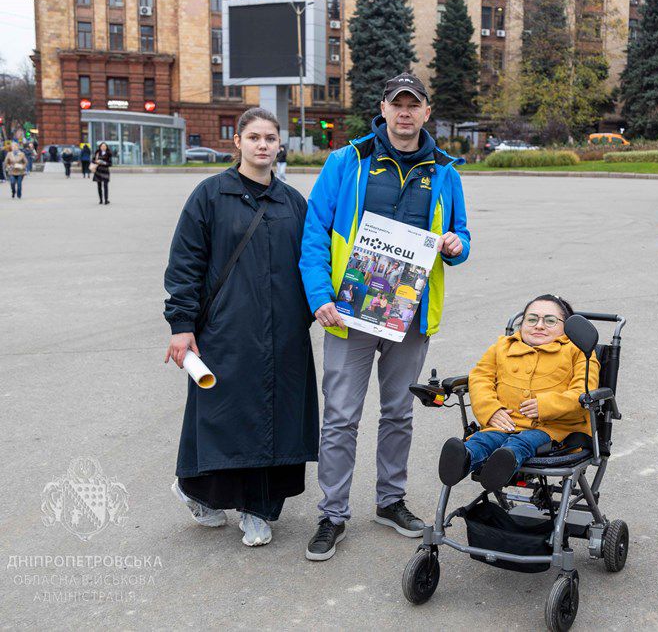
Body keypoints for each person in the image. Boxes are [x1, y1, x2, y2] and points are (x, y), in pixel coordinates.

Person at [300, 72, 471, 561]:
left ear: (426, 112)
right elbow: (315, 233)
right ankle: (332, 514)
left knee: (398, 413)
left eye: (413, 105)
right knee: (341, 416)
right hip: (350, 311)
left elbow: (461, 236)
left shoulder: (445, 172)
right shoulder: (347, 161)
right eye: (397, 104)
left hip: (409, 316)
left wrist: (456, 245)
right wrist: (319, 296)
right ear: (383, 108)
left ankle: (390, 501)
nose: (405, 112)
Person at [163, 107, 319, 548]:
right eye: (254, 137)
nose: (262, 145)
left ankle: (258, 510)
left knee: (276, 421)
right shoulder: (211, 195)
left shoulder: (293, 202)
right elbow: (185, 263)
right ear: (238, 142)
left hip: (284, 335)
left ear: (280, 144)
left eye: (270, 138)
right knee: (224, 420)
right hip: (226, 331)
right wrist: (181, 324)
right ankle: (196, 490)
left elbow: (314, 261)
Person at [438, 295, 600, 491]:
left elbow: (584, 391)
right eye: (531, 319)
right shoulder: (502, 347)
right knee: (483, 440)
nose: (539, 326)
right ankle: (463, 459)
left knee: (521, 443)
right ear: (522, 323)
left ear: (566, 327)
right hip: (505, 422)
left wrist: (546, 406)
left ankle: (502, 466)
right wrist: (490, 410)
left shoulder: (579, 352)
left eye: (550, 321)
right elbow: (480, 377)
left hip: (554, 429)